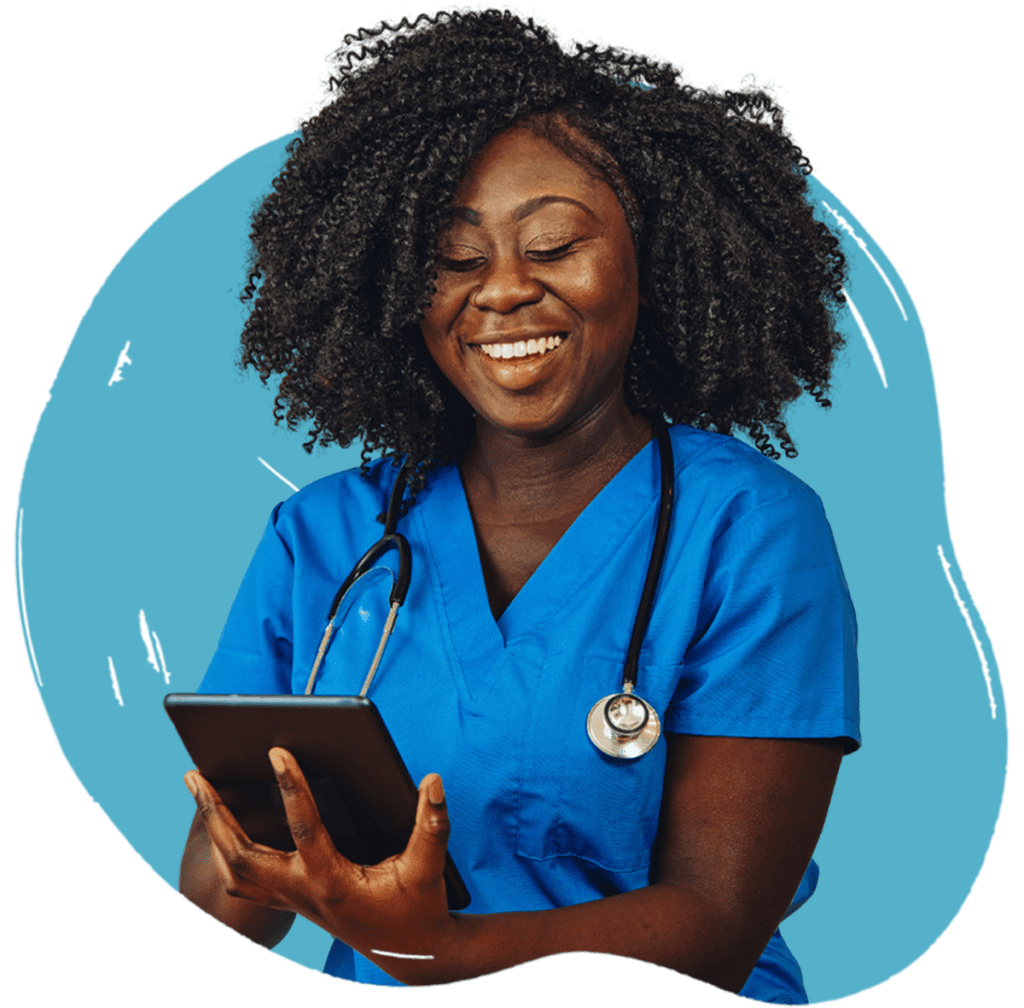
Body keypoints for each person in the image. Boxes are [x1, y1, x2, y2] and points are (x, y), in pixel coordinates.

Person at [179, 8, 859, 1004]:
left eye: (552, 245)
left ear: (651, 260)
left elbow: (713, 928)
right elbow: (221, 907)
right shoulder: (321, 540)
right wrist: (256, 864)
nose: (501, 292)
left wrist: (429, 951)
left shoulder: (748, 531)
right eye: (455, 259)